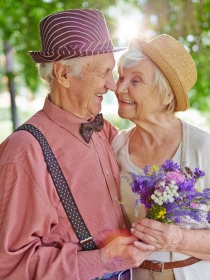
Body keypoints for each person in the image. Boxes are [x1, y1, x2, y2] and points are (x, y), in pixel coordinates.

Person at [0, 9, 155, 280]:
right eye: (104, 72)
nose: (112, 85)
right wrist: (101, 260)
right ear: (63, 75)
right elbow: (10, 266)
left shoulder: (102, 128)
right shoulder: (25, 151)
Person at [111, 34, 210, 280]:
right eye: (121, 76)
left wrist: (179, 238)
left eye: (136, 80)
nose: (119, 87)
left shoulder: (202, 147)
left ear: (166, 95)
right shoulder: (117, 146)